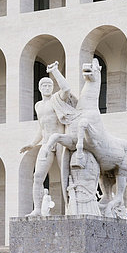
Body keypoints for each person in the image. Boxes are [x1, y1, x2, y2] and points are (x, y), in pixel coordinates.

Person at [20, 61, 77, 216]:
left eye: (49, 86)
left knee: (66, 175)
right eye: (44, 86)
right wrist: (32, 144)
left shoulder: (56, 99)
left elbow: (66, 89)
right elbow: (42, 127)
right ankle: (38, 209)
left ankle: (70, 208)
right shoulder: (38, 106)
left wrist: (55, 71)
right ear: (39, 88)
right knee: (38, 176)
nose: (47, 88)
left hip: (59, 142)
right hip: (46, 143)